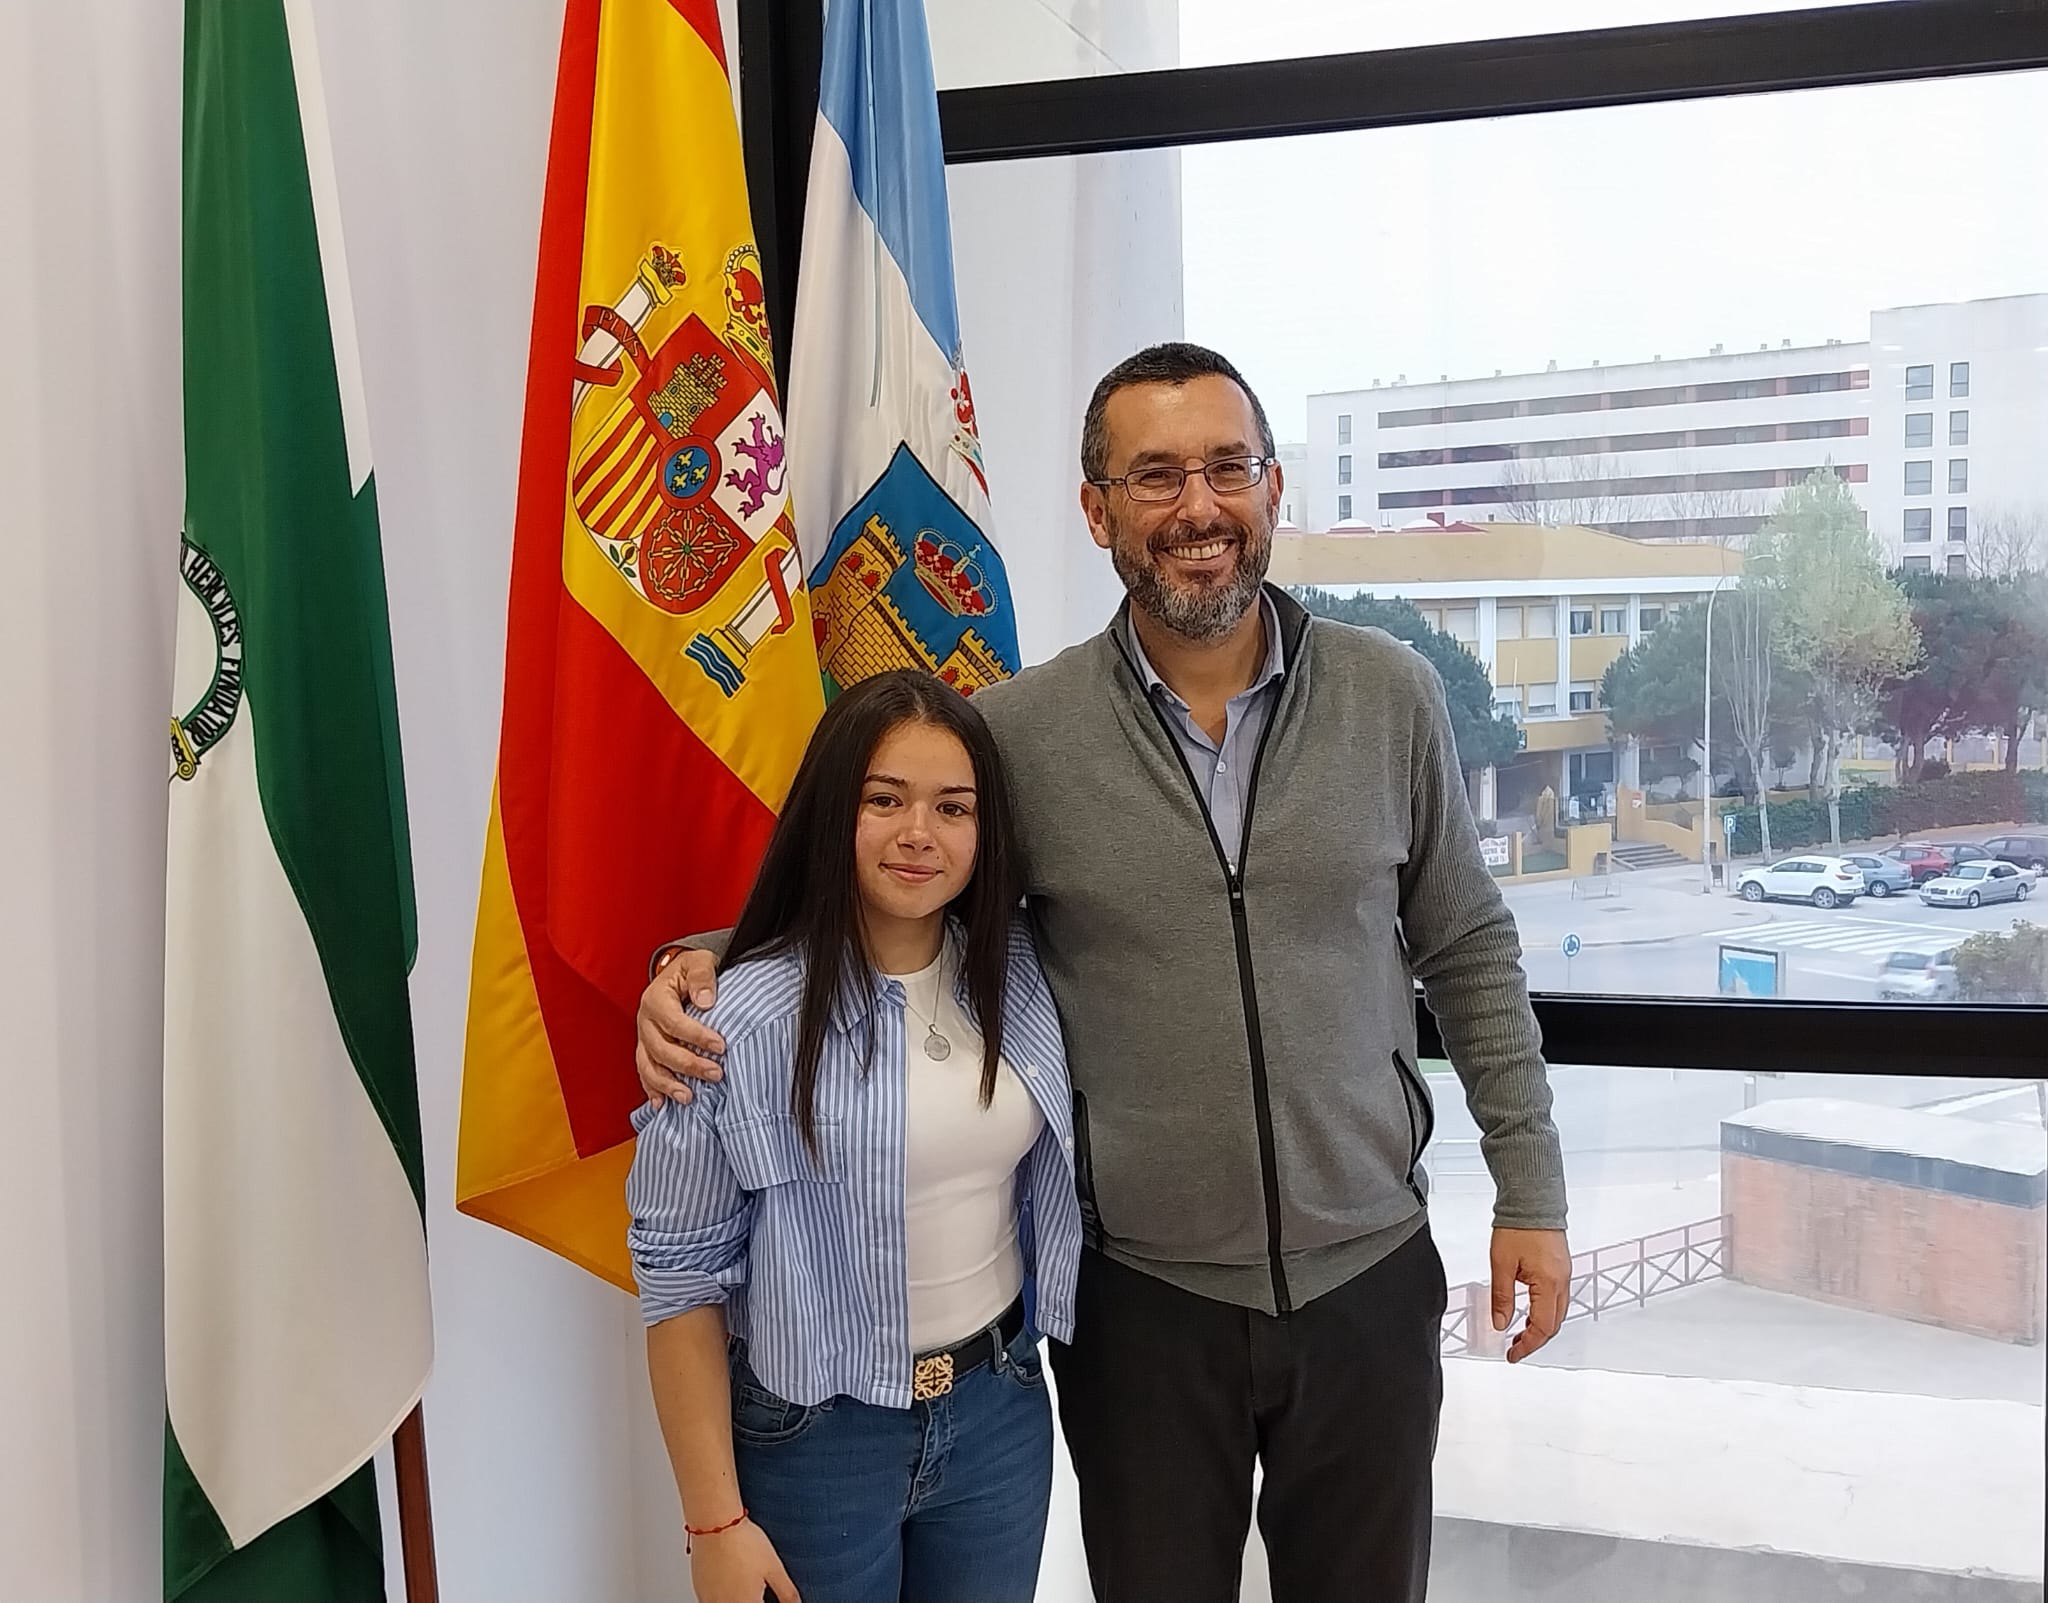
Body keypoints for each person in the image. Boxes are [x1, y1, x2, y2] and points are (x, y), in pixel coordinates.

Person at [638, 343, 1572, 1603]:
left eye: (1225, 466)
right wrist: (692, 963)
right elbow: (888, 885)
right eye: (1153, 475)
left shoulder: (1388, 696)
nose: (1198, 506)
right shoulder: (1020, 735)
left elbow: (1465, 945)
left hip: (1366, 1280)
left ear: (1271, 488)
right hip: (1137, 1306)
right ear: (1096, 512)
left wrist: (1532, 1188)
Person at [626, 669, 1081, 1603]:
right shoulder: (731, 1022)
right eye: (886, 799)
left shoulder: (1024, 972)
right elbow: (677, 1282)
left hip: (999, 1411)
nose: (921, 832)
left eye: (953, 807)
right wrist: (713, 1522)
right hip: (814, 1441)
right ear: (835, 811)